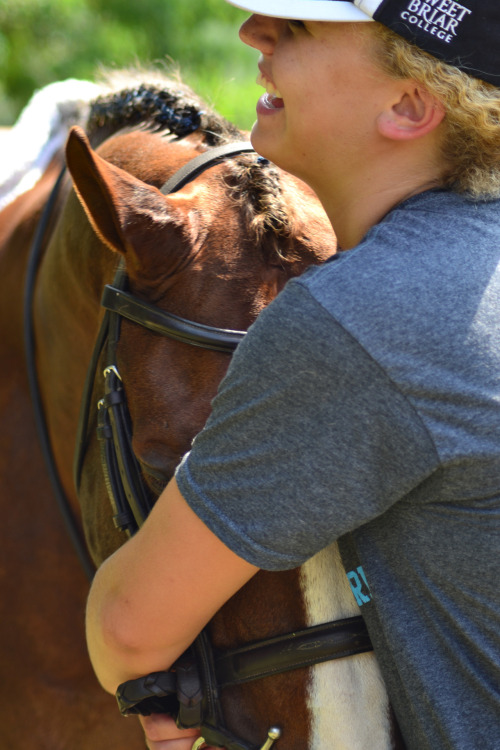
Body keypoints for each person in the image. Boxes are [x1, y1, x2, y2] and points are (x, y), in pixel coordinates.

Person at [85, 2, 500, 749]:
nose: (255, 33)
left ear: (409, 104)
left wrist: (161, 679)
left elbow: (128, 633)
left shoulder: (367, 320)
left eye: (300, 28)